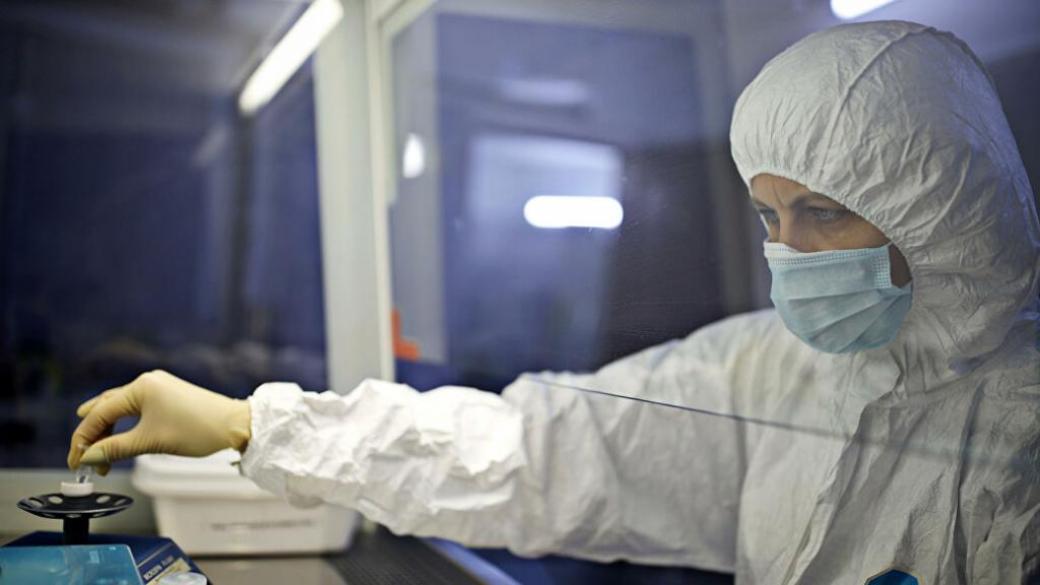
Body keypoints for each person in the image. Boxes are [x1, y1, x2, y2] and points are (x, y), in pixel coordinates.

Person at [67, 20, 1039, 584]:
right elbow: (536, 452)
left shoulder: (1021, 424)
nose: (787, 253)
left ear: (943, 214)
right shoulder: (765, 370)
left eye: (821, 214)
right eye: (767, 216)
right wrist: (250, 423)